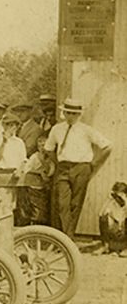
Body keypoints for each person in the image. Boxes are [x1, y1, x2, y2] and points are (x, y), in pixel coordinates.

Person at [43, 98, 113, 237]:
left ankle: (68, 238)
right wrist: (57, 162)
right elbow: (48, 148)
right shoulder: (57, 129)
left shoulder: (86, 130)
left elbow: (108, 146)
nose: (71, 116)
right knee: (63, 205)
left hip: (82, 169)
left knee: (76, 204)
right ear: (64, 113)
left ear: (79, 115)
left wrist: (94, 164)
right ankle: (65, 238)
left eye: (74, 114)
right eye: (68, 113)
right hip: (63, 169)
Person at [99, 182, 127, 255]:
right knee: (103, 219)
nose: (118, 199)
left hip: (124, 231)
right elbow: (101, 213)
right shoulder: (112, 203)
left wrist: (125, 200)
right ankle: (106, 246)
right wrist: (109, 199)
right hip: (115, 230)